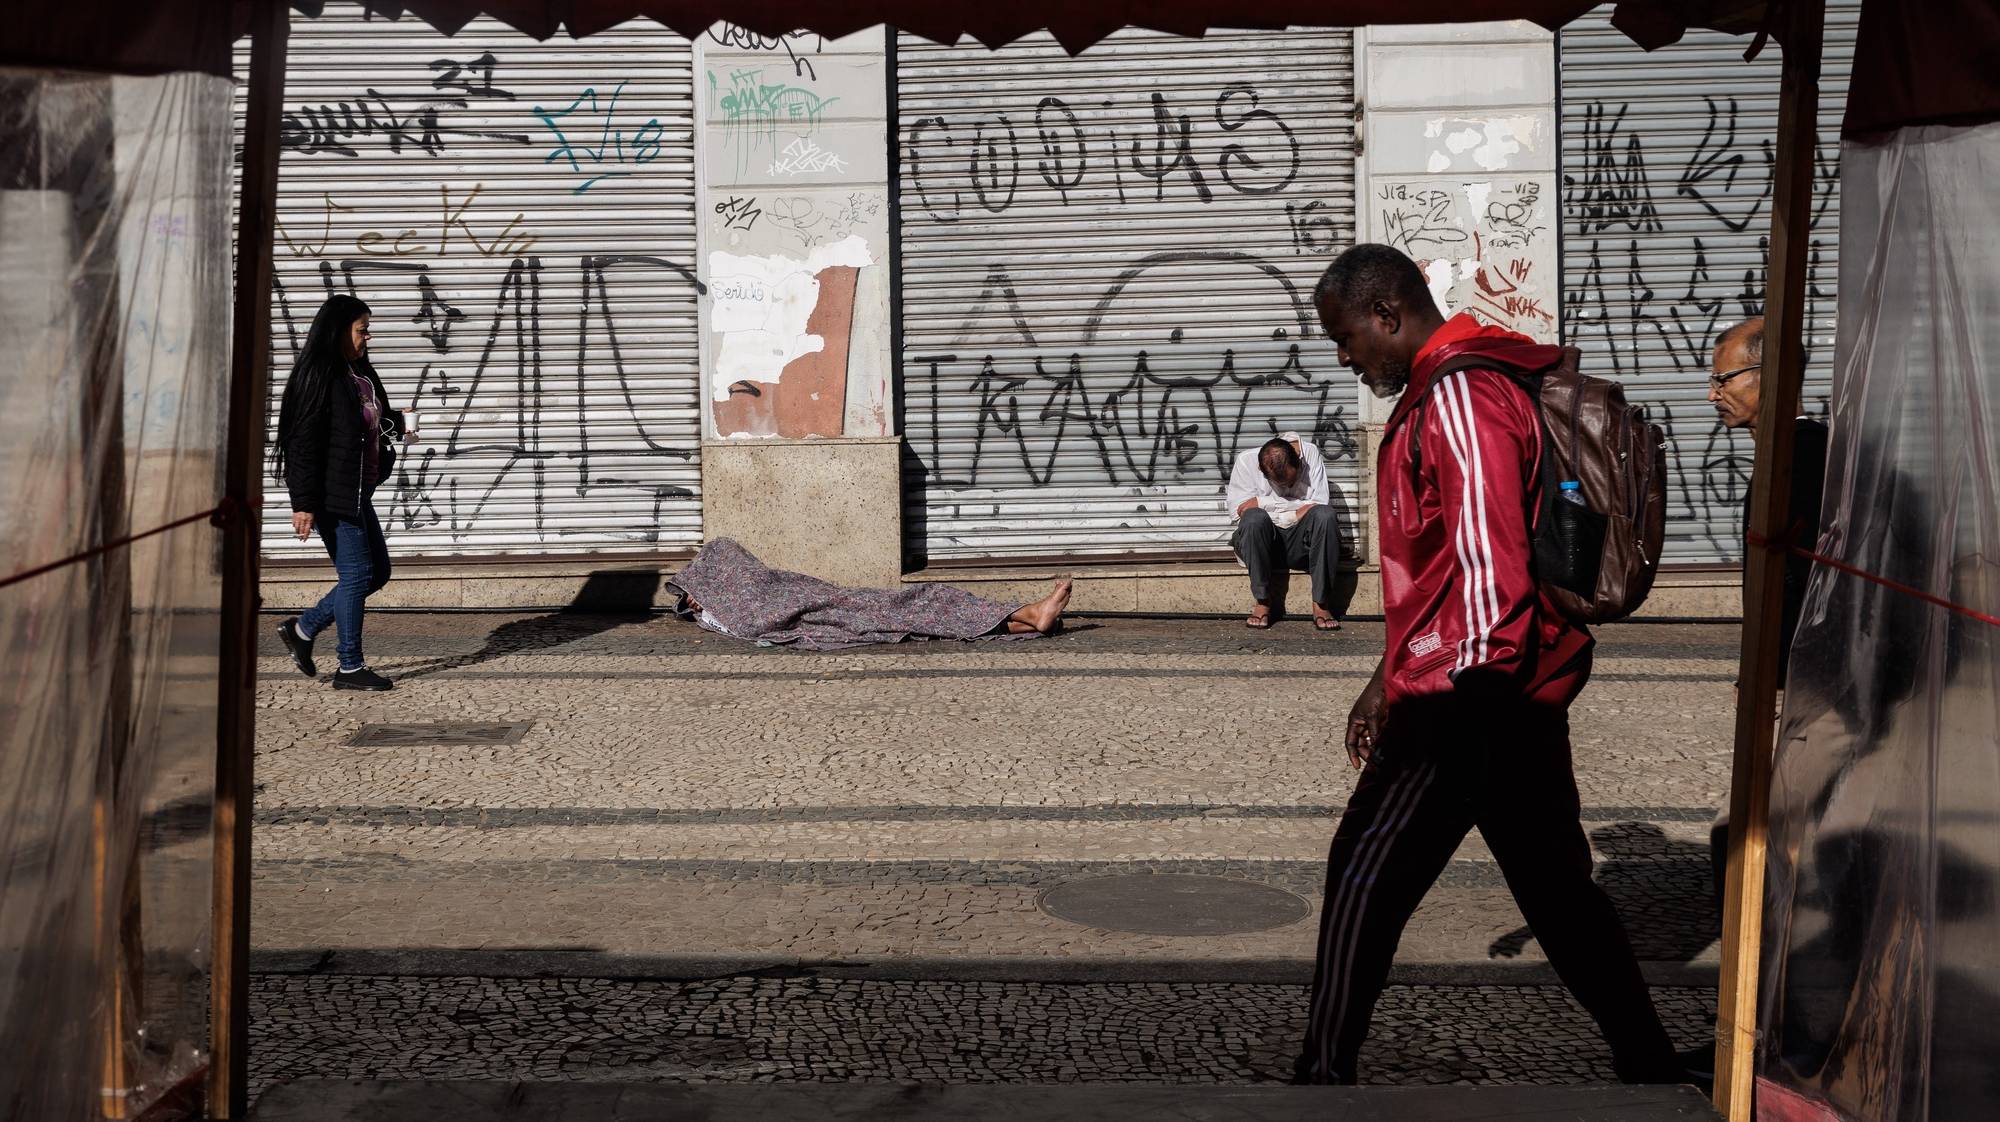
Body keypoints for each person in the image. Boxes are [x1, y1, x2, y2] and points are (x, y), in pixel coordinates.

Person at [1294, 244, 1682, 1086]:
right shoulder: (1451, 389)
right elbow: (1438, 568)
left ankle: (1322, 1072)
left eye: (1347, 336)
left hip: (1476, 692)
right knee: (1557, 892)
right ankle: (1648, 1061)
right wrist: (1384, 674)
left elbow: (1487, 561)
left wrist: (1459, 701)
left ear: (1388, 315)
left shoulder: (1461, 395)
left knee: (1364, 868)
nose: (1345, 357)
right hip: (1503, 687)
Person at [1703, 318, 1830, 914]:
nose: (1712, 393)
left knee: (1749, 835)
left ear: (1768, 376)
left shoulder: (1800, 461)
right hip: (1804, 683)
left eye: (1722, 377)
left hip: (1828, 689)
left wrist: (1772, 674)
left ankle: (1766, 983)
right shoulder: (1789, 454)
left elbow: (1798, 584)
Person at [272, 294, 406, 691]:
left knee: (377, 572)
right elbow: (302, 444)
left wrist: (398, 424)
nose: (368, 338)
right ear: (339, 331)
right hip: (333, 493)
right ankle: (350, 667)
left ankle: (302, 629)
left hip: (357, 489)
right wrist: (304, 504)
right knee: (356, 574)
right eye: (362, 330)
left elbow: (376, 418)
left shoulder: (360, 374)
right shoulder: (319, 376)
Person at [667, 538, 1071, 651]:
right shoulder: (725, 614)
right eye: (692, 601)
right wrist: (706, 606)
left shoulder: (741, 579)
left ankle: (1029, 616)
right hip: (825, 613)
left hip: (825, 598)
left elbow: (761, 581)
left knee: (917, 607)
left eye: (697, 592)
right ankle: (1028, 617)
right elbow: (757, 620)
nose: (697, 601)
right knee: (915, 612)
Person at [1224, 433, 1343, 630]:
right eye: (1279, 484)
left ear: (1298, 462)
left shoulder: (1310, 454)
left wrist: (1263, 503)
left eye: (1291, 481)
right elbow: (1238, 513)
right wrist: (1293, 510)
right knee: (1253, 518)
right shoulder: (1246, 461)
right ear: (1261, 471)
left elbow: (1319, 504)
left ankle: (1321, 603)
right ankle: (1262, 601)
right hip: (1262, 548)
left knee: (1325, 515)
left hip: (1302, 546)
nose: (1287, 487)